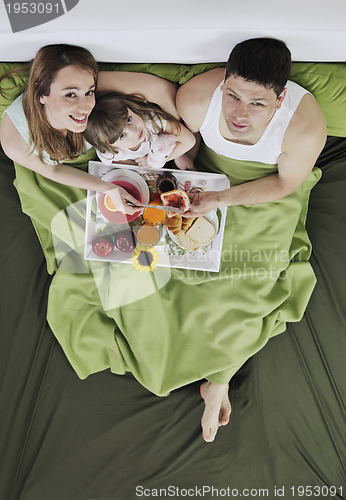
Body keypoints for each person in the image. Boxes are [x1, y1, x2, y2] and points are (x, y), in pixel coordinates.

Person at [176, 38, 327, 441]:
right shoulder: (196, 99)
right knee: (176, 270)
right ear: (223, 83)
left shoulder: (305, 126)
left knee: (252, 280)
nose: (239, 113)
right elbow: (176, 133)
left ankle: (220, 380)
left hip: (264, 191)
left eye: (257, 103)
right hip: (209, 177)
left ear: (279, 101)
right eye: (233, 95)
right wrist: (184, 160)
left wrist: (221, 200)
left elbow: (284, 184)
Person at [0, 44, 187, 214]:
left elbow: (163, 89)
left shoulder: (87, 83)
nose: (85, 108)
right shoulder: (14, 139)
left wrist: (176, 141)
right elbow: (53, 171)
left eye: (89, 92)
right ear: (41, 93)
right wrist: (108, 188)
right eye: (70, 95)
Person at [83, 91, 195, 170]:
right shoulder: (109, 152)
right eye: (122, 136)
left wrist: (153, 162)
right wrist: (136, 163)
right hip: (150, 160)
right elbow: (113, 160)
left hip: (164, 149)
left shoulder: (152, 122)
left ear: (129, 108)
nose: (134, 131)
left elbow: (190, 140)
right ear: (111, 146)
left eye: (129, 120)